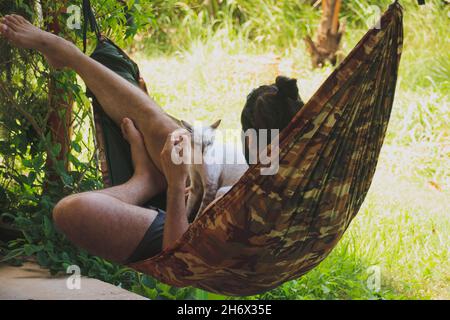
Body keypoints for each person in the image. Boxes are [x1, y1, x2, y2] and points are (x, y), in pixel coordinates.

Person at [0, 14, 302, 265]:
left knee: (71, 211)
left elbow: (181, 255)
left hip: (182, 233)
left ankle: (145, 180)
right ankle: (72, 57)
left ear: (250, 140)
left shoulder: (241, 199)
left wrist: (173, 185)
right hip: (205, 203)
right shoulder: (314, 171)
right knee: (165, 130)